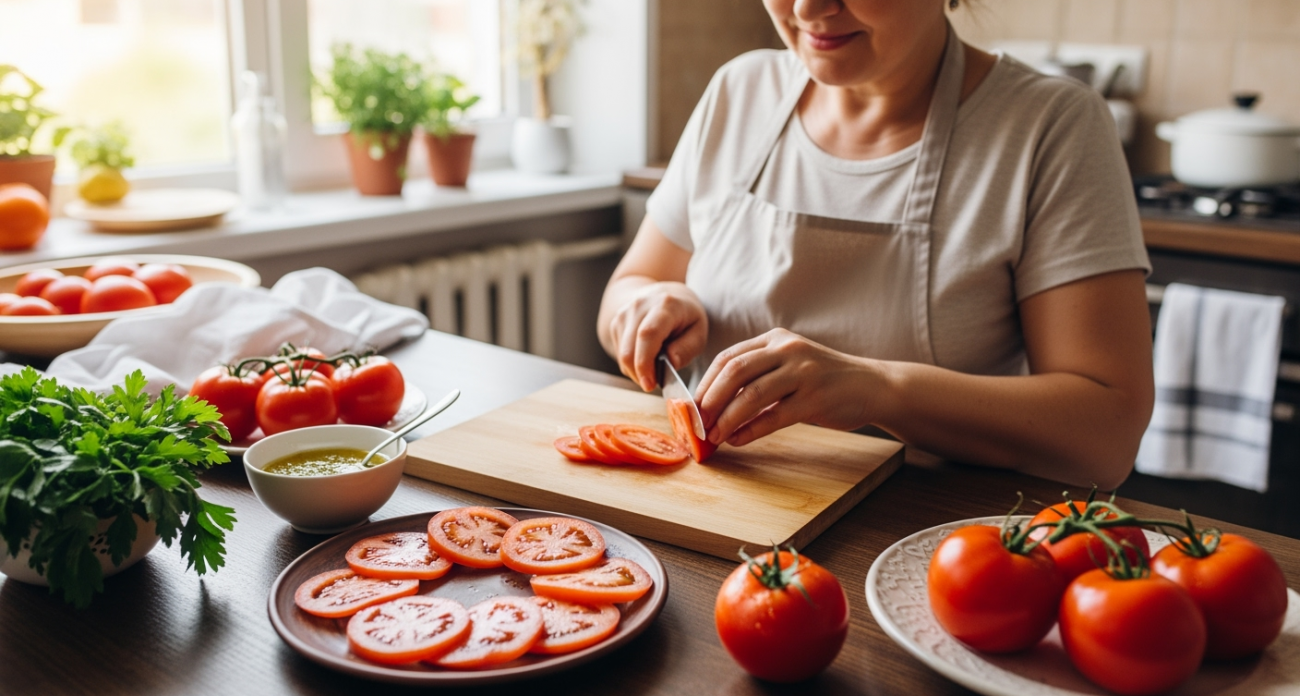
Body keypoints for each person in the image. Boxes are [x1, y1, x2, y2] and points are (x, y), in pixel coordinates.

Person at [598, 0, 1154, 490]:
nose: (810, 8)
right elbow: (627, 290)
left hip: (927, 552)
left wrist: (880, 389)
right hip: (718, 509)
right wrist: (649, 306)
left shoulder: (1050, 126)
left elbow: (1106, 435)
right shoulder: (738, 91)